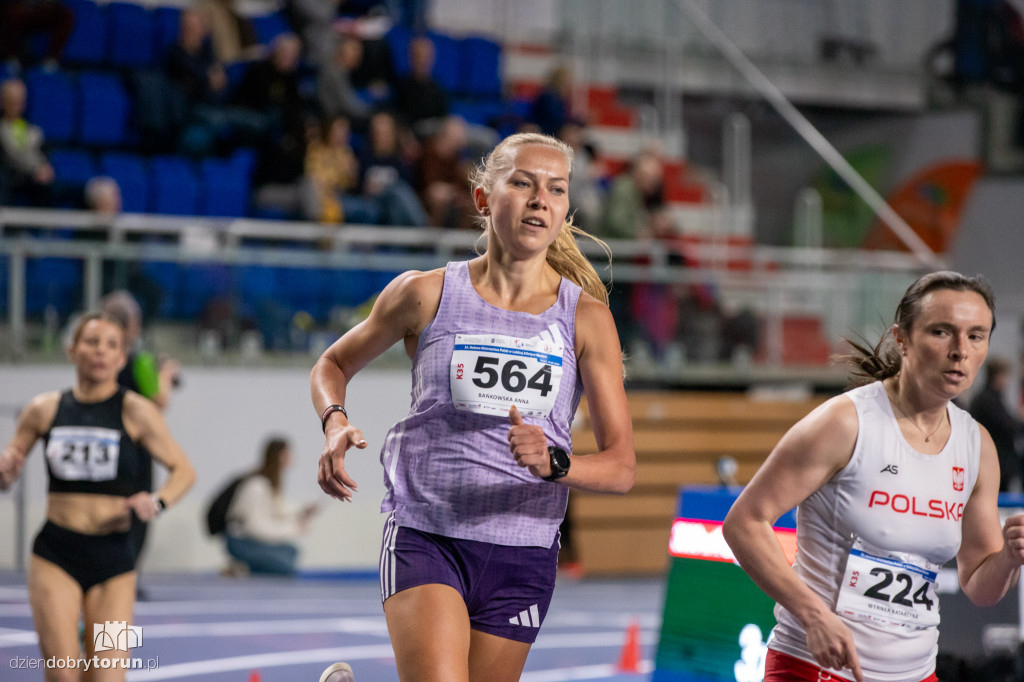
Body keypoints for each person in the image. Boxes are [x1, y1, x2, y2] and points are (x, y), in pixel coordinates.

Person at [310, 131, 635, 681]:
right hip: (429, 531)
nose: (540, 199)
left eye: (556, 190)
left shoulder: (586, 320)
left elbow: (622, 466)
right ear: (484, 200)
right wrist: (334, 422)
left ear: (563, 211)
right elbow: (332, 366)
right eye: (523, 183)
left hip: (523, 549)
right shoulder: (426, 293)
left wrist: (555, 461)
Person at [723, 271, 1024, 682]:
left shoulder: (977, 446)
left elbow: (978, 585)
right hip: (816, 669)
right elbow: (744, 522)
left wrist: (1009, 557)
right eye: (942, 332)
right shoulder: (845, 424)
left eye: (976, 336)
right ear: (902, 338)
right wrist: (812, 615)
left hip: (915, 673)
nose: (960, 351)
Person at [0, 312, 195, 682]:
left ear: (122, 359)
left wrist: (156, 502)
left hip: (115, 562)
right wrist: (6, 471)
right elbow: (8, 469)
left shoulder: (138, 411)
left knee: (107, 677)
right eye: (91, 342)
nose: (100, 352)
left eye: (111, 345)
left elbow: (184, 471)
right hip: (56, 554)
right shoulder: (43, 409)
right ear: (73, 350)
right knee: (63, 674)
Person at [224, 437, 319, 576]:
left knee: (291, 551)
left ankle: (246, 566)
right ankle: (242, 568)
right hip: (241, 542)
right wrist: (293, 529)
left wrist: (301, 511)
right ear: (278, 456)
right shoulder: (257, 486)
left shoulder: (270, 485)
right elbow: (256, 528)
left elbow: (278, 510)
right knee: (285, 567)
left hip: (250, 541)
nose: (291, 458)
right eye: (287, 454)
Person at [969, 357, 1024, 492]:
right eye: (1005, 376)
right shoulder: (988, 400)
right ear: (997, 376)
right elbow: (1007, 426)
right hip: (994, 461)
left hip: (997, 461)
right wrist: (1020, 420)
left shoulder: (993, 398)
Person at [0, 77, 54, 207]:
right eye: (11, 101)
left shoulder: (33, 130)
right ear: (2, 102)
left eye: (19, 101)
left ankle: (47, 226)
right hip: (11, 174)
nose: (16, 106)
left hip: (33, 175)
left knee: (51, 181)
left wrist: (44, 167)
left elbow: (43, 154)